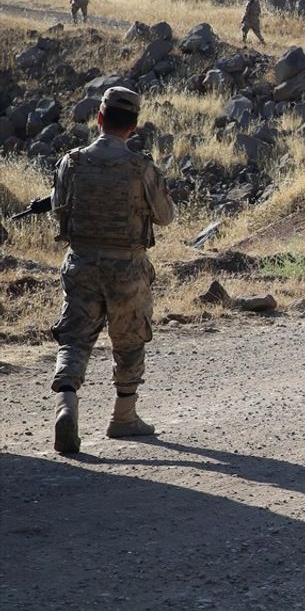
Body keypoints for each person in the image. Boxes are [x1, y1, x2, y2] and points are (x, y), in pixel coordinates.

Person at [49, 87, 176, 454]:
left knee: (74, 337)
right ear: (134, 127)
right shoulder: (142, 167)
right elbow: (165, 217)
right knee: (130, 340)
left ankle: (67, 401)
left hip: (82, 263)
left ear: (99, 118)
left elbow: (60, 210)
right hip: (127, 266)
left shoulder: (70, 162)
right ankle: (123, 418)